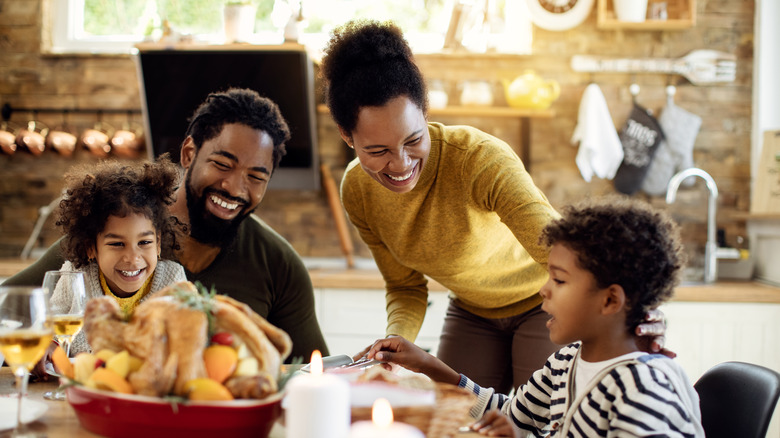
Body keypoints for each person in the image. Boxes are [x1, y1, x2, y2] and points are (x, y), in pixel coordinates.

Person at [319, 19, 666, 394]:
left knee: (535, 421)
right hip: (471, 312)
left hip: (544, 302)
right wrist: (393, 345)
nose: (401, 164)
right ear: (346, 136)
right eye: (378, 151)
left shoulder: (478, 159)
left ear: (425, 111)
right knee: (457, 416)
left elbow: (560, 248)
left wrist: (633, 307)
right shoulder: (356, 190)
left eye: (413, 140)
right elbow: (405, 287)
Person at [4, 88, 329, 363]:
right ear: (189, 153)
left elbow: (317, 369)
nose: (234, 187)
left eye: (256, 177)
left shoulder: (278, 264)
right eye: (221, 164)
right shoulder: (117, 230)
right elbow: (9, 306)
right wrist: (41, 349)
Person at [364, 197, 704, 437]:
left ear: (610, 299)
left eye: (559, 279)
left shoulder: (642, 390)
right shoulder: (568, 361)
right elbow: (510, 414)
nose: (543, 290)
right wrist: (425, 364)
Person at [50, 156, 187, 356]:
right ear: (91, 247)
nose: (132, 258)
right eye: (117, 244)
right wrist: (50, 345)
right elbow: (46, 330)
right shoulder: (75, 277)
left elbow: (190, 337)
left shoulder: (173, 281)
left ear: (158, 243)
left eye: (144, 243)